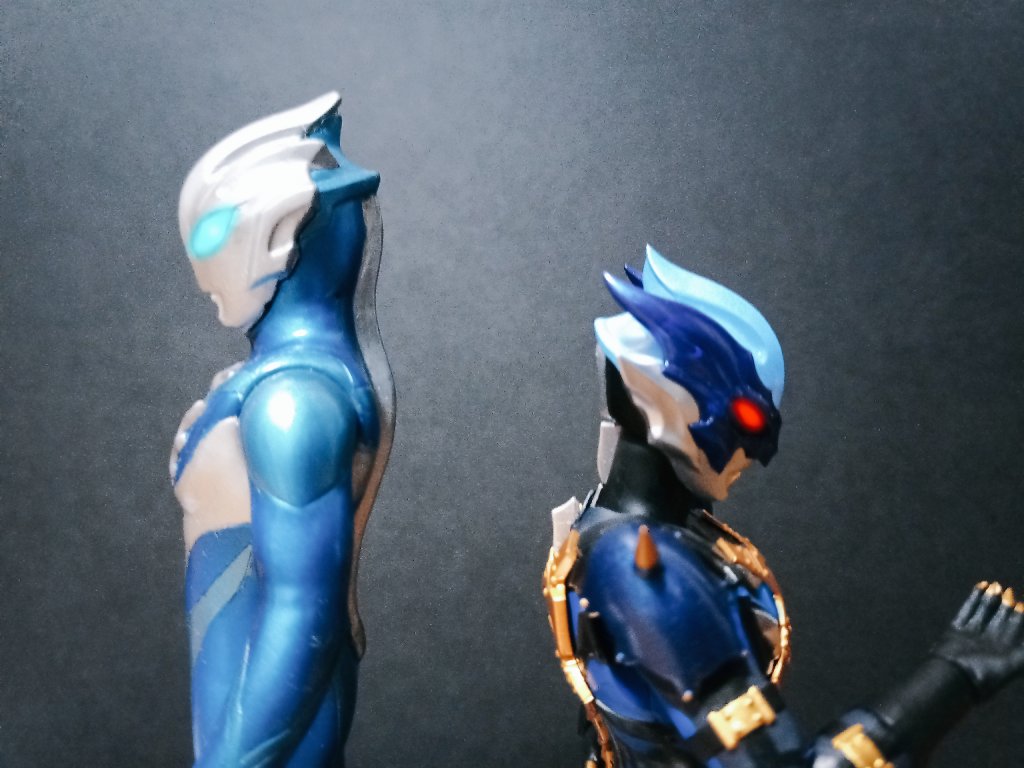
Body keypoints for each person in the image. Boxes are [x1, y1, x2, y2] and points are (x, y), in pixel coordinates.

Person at [543, 246, 1024, 768]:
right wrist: (955, 673)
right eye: (749, 421)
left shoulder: (614, 523)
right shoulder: (646, 572)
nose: (759, 453)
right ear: (668, 403)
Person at [170, 92, 395, 767]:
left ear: (272, 236)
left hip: (273, 733)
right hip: (245, 707)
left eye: (210, 237)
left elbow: (304, 614)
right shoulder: (287, 387)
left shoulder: (291, 402)